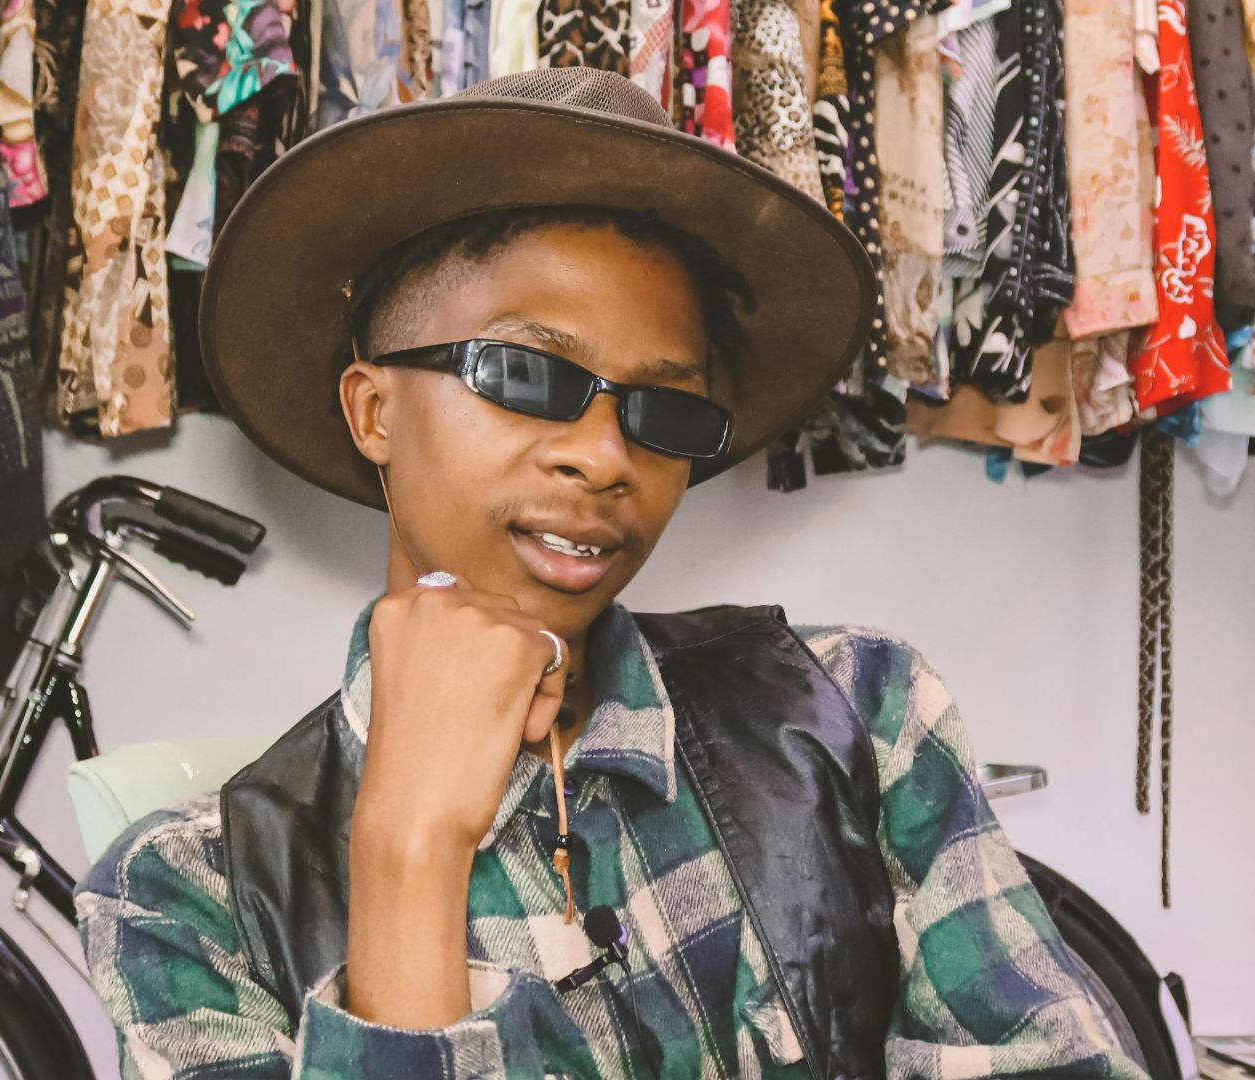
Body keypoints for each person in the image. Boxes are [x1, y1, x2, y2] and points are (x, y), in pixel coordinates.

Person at [77, 69, 1145, 1079]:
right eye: (529, 374)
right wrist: (408, 851)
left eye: (663, 409)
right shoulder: (183, 895)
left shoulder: (859, 712)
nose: (604, 456)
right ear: (375, 412)